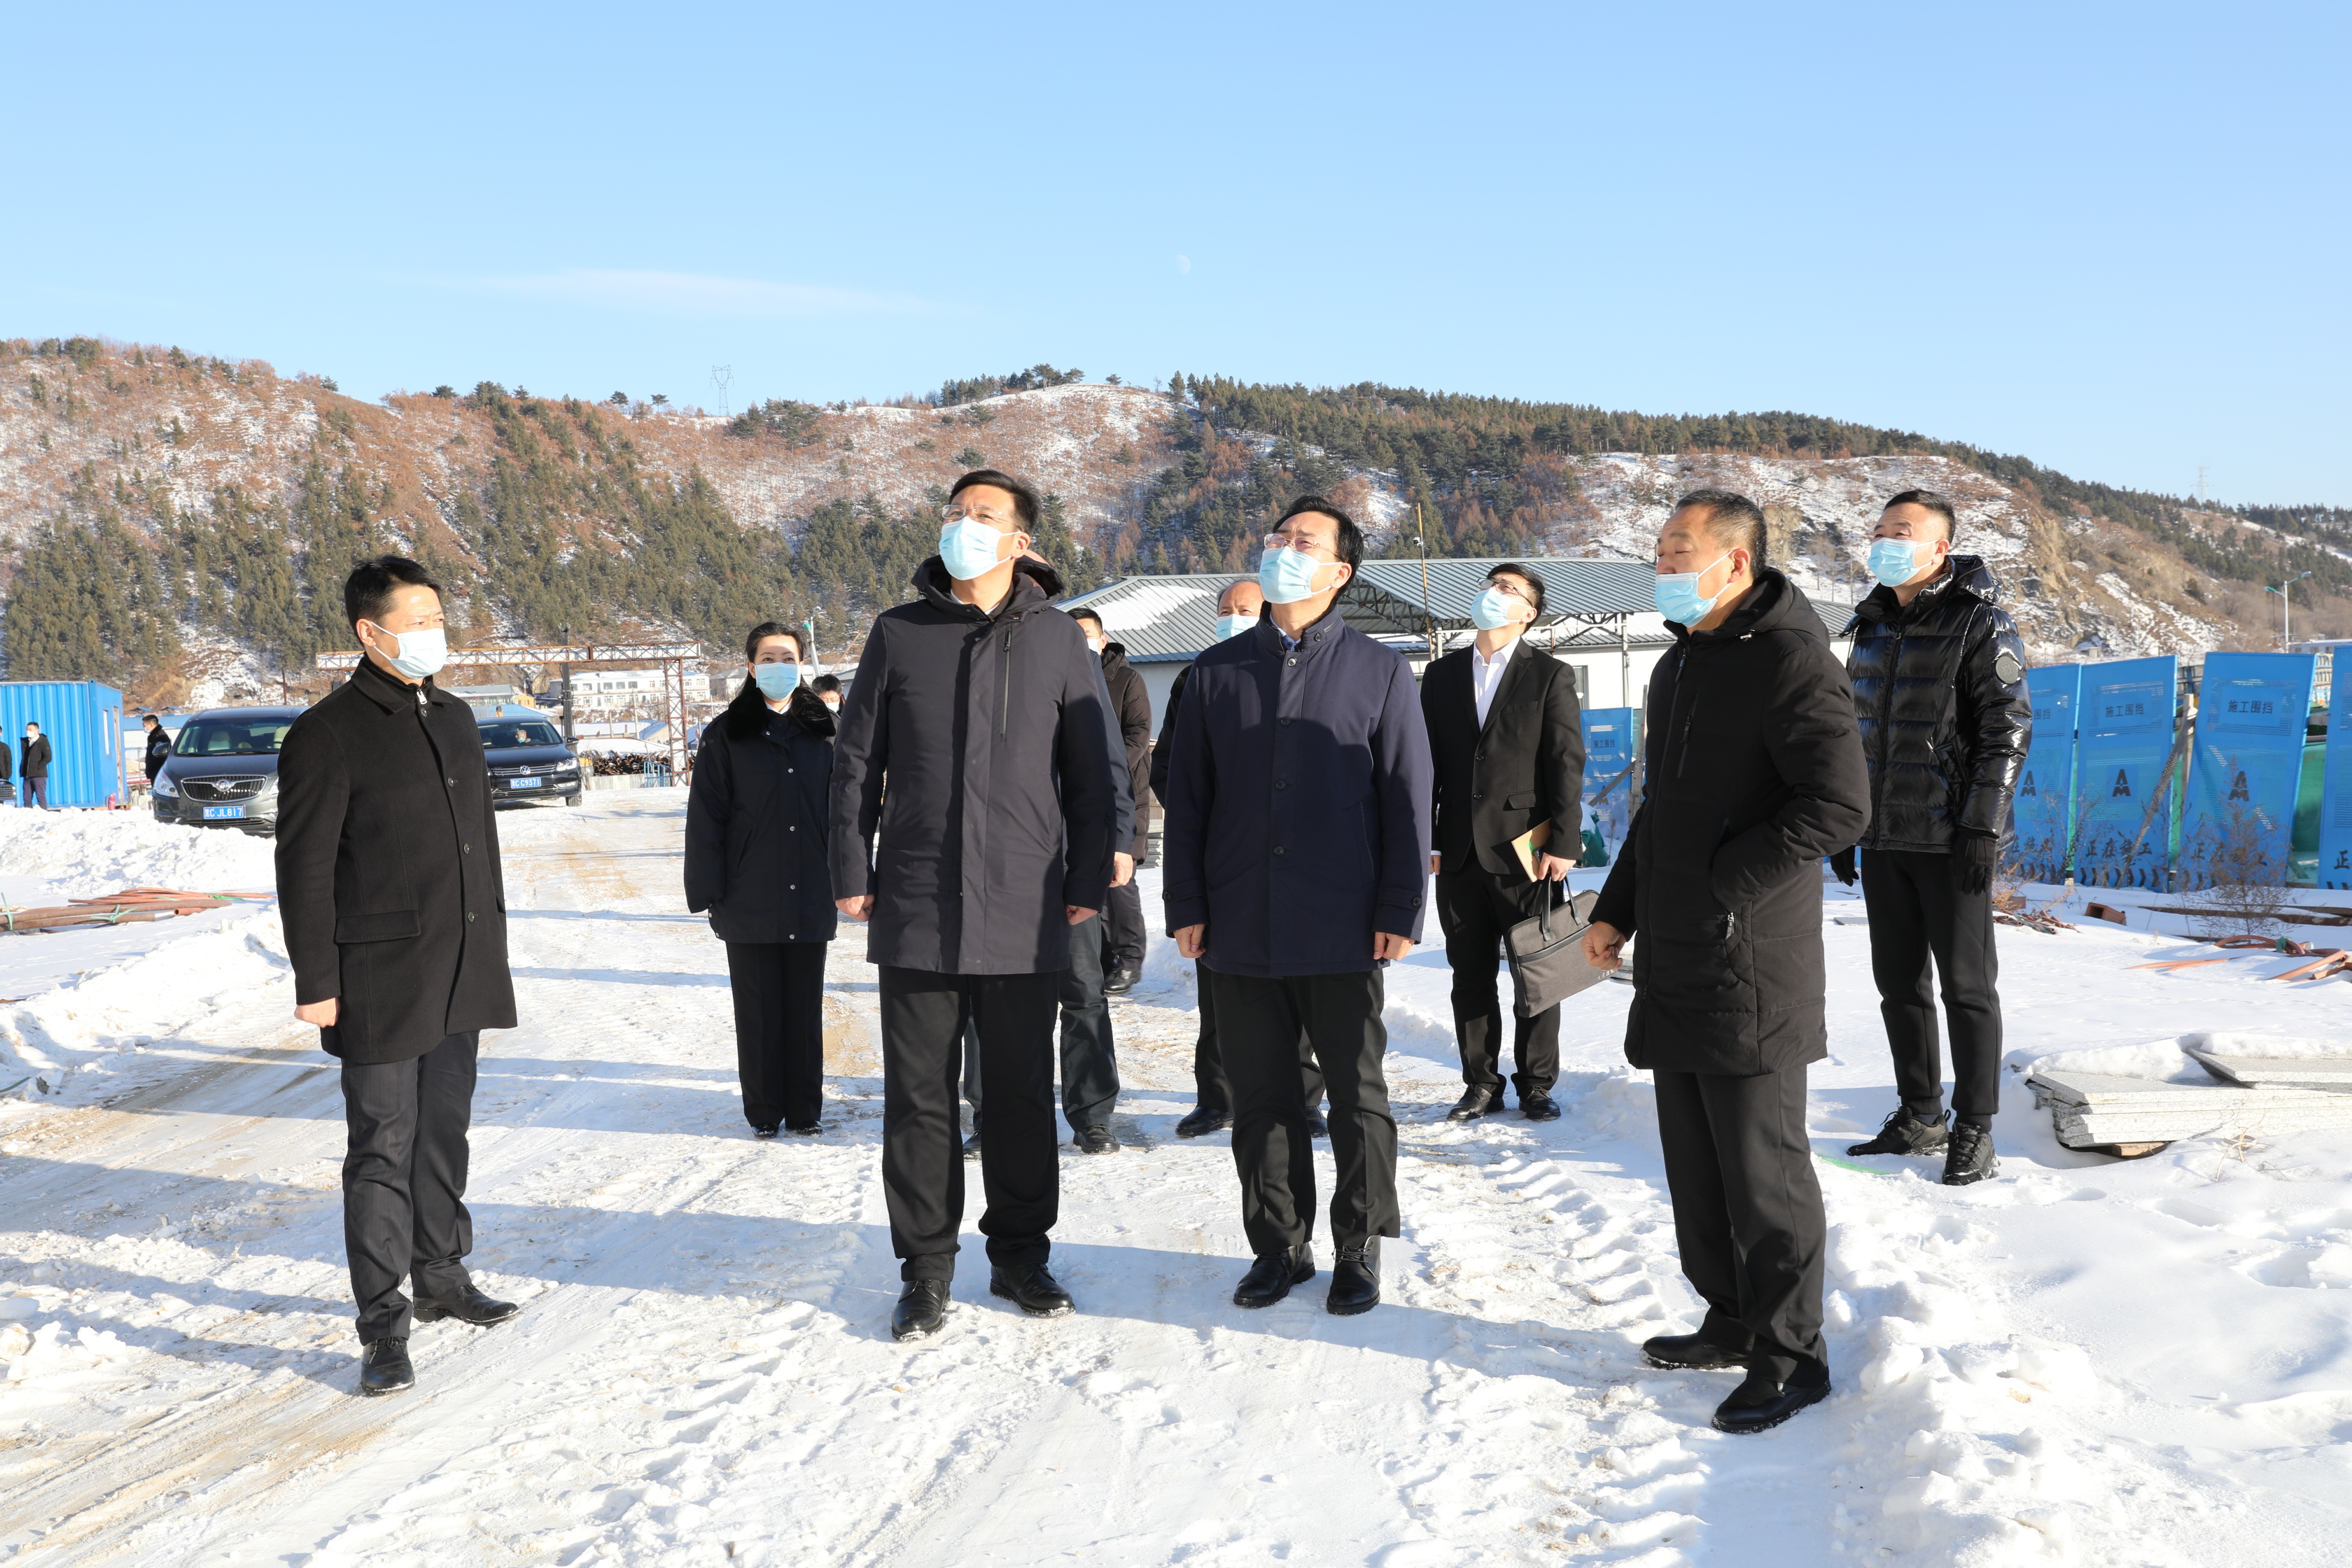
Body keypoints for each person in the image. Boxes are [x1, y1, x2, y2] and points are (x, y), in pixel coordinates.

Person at [1581, 489, 1866, 1436]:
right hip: (1678, 952)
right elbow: (1661, 808)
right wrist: (1617, 909)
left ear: (1735, 562)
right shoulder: (1681, 665)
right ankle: (1733, 1318)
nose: (1662, 565)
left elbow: (1838, 805)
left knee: (1763, 1171)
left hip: (1752, 961)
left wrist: (1721, 882)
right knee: (1700, 1166)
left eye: (1678, 549)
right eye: (1660, 549)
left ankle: (1794, 1357)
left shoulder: (1792, 660)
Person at [830, 469, 1129, 1341]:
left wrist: (1087, 881)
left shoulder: (1057, 640)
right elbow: (855, 763)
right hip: (917, 898)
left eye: (983, 514)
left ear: (1020, 542)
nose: (963, 523)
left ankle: (1021, 1255)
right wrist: (852, 862)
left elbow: (1097, 768)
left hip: (1025, 902)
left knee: (1019, 1093)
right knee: (919, 1098)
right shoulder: (899, 632)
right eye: (956, 511)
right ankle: (925, 1268)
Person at [1163, 496, 1432, 1317]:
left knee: (1357, 1095)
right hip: (1240, 919)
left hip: (1344, 920)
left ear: (1339, 570)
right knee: (1261, 1097)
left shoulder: (1380, 670)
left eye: (1303, 540)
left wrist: (1400, 907)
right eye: (1278, 535)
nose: (1283, 546)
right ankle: (1279, 1244)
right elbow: (1189, 801)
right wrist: (1187, 900)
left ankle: (1359, 1243)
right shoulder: (1215, 672)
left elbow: (1408, 798)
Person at [276, 556, 522, 1398]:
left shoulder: (454, 716)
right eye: (415, 620)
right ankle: (383, 1323)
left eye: (437, 617)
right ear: (369, 631)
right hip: (378, 975)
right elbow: (304, 868)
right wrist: (316, 978)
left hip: (461, 966)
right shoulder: (328, 731)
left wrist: (491, 942)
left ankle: (442, 1272)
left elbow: (479, 844)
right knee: (381, 1147)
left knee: (444, 1130)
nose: (431, 632)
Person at [1835, 490, 2031, 1186]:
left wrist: (1981, 824)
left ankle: (1975, 1127)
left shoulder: (1981, 621)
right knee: (1899, 986)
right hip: (1884, 835)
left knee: (1967, 988)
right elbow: (1853, 733)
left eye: (1903, 531)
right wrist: (1845, 820)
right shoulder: (1870, 624)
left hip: (1952, 839)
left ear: (1940, 547)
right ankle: (1921, 1113)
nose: (1885, 541)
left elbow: (2007, 729)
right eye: (1880, 529)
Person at [1151, 577, 1328, 1141]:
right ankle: (1217, 1097)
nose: (1233, 616)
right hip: (1226, 857)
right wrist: (1217, 814)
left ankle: (1305, 1098)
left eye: (1244, 608)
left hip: (1301, 856)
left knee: (1300, 982)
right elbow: (1170, 769)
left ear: (1269, 610)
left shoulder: (1312, 671)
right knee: (1220, 986)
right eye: (1225, 608)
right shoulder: (1201, 675)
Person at [1421, 563, 1586, 1124]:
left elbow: (1565, 761)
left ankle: (1536, 1085)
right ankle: (1481, 1085)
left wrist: (1565, 840)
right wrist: (1428, 838)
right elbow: (1425, 764)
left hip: (1528, 851)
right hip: (1457, 850)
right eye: (1489, 585)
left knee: (1536, 973)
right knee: (1468, 975)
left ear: (1528, 612)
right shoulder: (1441, 675)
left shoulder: (1549, 675)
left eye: (1506, 589)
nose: (1491, 594)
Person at [685, 622, 837, 1139]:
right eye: (768, 658)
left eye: (788, 657)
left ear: (802, 665)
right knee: (757, 1009)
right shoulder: (726, 733)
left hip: (812, 887)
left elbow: (848, 813)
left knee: (804, 1007)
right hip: (747, 891)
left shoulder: (827, 731)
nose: (779, 667)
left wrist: (852, 876)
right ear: (751, 667)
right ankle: (765, 1110)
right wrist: (709, 892)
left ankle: (806, 1109)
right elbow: (706, 818)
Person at [1071, 608, 1152, 996]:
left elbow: (1139, 733)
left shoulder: (1126, 679)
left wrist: (1104, 764)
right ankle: (1103, 959)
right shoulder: (1065, 677)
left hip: (1125, 791)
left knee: (1121, 879)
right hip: (1082, 795)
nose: (1081, 642)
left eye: (1087, 634)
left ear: (1103, 640)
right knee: (1090, 876)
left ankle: (1130, 957)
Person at [18, 722, 51, 809]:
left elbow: (48, 757)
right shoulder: (25, 741)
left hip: (39, 775)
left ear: (37, 730)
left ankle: (43, 813)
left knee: (40, 796)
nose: (28, 731)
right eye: (27, 729)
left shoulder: (42, 741)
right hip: (27, 775)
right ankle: (28, 814)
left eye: (30, 729)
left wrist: (37, 767)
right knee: (27, 798)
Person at [142, 714, 172, 782]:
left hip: (158, 771)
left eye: (144, 726)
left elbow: (160, 756)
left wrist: (150, 764)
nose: (144, 728)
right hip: (154, 772)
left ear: (151, 725)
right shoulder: (153, 736)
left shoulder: (160, 737)